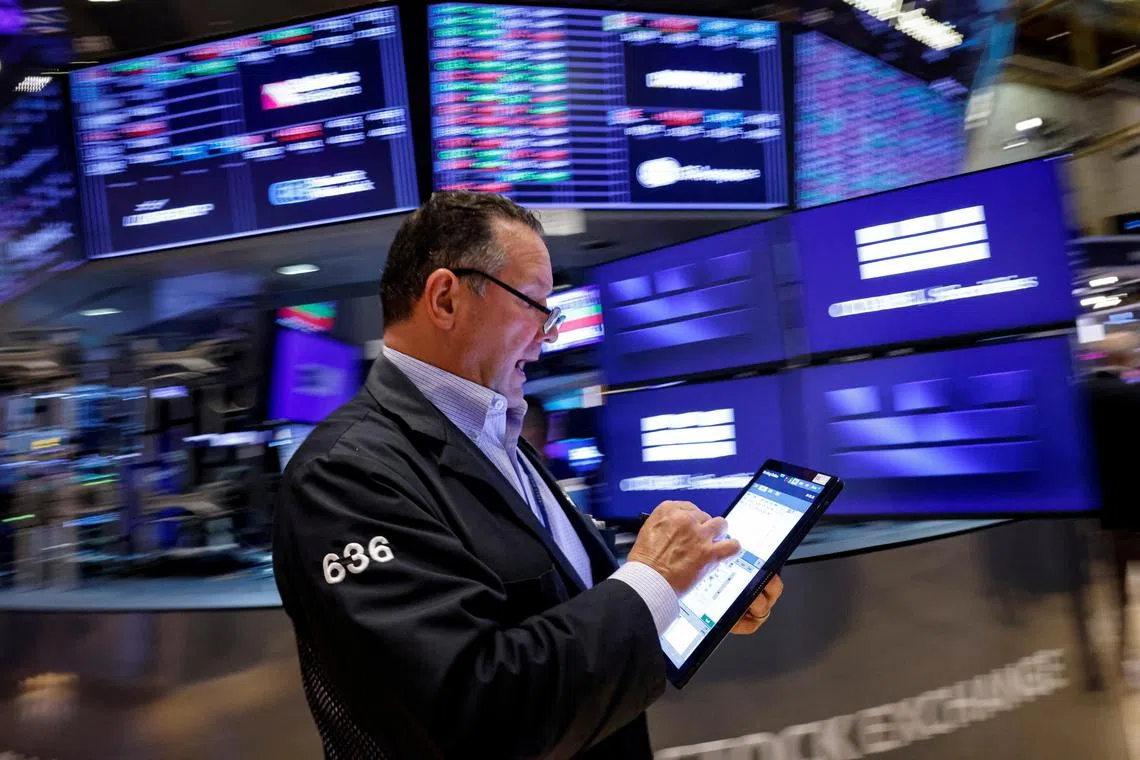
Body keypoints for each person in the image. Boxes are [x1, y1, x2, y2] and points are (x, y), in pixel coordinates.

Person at [272, 191, 783, 759]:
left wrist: (686, 599)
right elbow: (476, 715)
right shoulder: (343, 475)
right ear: (445, 299)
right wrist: (653, 579)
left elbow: (561, 616)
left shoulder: (496, 436)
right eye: (536, 304)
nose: (550, 334)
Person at [1086, 331, 1140, 677]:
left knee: (1112, 588)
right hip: (1131, 507)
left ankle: (1120, 659)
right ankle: (1129, 658)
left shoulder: (1080, 395)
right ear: (1127, 357)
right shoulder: (1131, 396)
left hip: (1093, 509)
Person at [521, 394, 576, 481]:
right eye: (529, 424)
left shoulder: (562, 469)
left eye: (539, 424)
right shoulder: (515, 473)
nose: (536, 430)